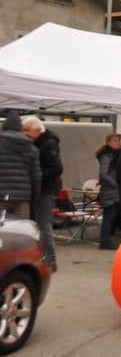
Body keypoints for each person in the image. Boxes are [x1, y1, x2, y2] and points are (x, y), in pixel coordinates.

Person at [21, 115, 61, 272]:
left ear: (37, 130)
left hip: (45, 190)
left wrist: (35, 174)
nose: (24, 133)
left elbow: (57, 169)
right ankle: (40, 259)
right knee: (37, 226)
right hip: (39, 189)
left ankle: (51, 261)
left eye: (26, 130)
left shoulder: (48, 144)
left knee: (44, 227)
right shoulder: (38, 143)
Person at [0, 112, 41, 221]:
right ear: (20, 128)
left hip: (1, 196)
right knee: (20, 232)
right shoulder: (32, 148)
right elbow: (36, 177)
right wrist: (34, 199)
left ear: (4, 127)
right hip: (23, 198)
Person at [95, 133, 121, 250]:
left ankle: (106, 239)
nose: (117, 143)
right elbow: (103, 173)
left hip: (112, 190)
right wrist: (114, 184)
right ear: (108, 142)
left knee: (111, 215)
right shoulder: (107, 155)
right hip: (109, 190)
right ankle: (104, 240)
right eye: (115, 140)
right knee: (108, 215)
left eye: (118, 141)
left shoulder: (113, 155)